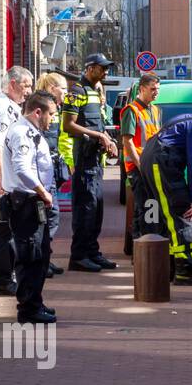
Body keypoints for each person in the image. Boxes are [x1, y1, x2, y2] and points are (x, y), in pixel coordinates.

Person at [139, 103, 192, 286]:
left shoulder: (187, 118)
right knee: (181, 213)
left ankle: (169, 267)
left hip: (155, 159)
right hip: (162, 162)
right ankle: (185, 270)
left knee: (168, 216)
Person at [2, 91, 59, 324]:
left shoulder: (30, 131)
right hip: (26, 202)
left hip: (32, 202)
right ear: (38, 112)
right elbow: (22, 168)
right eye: (51, 115)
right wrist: (42, 191)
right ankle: (28, 309)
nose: (53, 120)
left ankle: (35, 301)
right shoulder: (22, 133)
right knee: (30, 256)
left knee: (40, 255)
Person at [0, 66, 33, 296]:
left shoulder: (2, 105)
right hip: (1, 174)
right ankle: (2, 280)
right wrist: (3, 176)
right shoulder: (4, 109)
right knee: (2, 229)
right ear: (12, 84)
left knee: (2, 227)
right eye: (26, 85)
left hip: (0, 172)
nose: (29, 91)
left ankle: (4, 277)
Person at [62, 54, 120, 272]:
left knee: (96, 209)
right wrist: (99, 137)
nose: (105, 73)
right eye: (102, 69)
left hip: (95, 160)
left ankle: (92, 252)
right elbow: (68, 125)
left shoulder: (96, 92)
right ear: (90, 68)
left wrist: (107, 138)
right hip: (84, 159)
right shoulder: (76, 91)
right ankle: (78, 256)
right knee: (85, 209)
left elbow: (98, 125)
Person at [120, 73, 162, 254]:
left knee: (144, 207)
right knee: (146, 207)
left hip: (150, 167)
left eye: (158, 90)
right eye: (152, 89)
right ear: (142, 88)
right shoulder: (132, 110)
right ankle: (141, 248)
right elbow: (127, 142)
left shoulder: (155, 110)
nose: (156, 93)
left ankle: (138, 247)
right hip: (139, 168)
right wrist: (141, 166)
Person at [35, 72, 71, 279]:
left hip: (52, 168)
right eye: (63, 88)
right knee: (49, 216)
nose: (66, 93)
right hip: (43, 172)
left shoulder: (55, 109)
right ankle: (41, 261)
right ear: (51, 89)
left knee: (52, 216)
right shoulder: (42, 108)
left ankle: (45, 259)